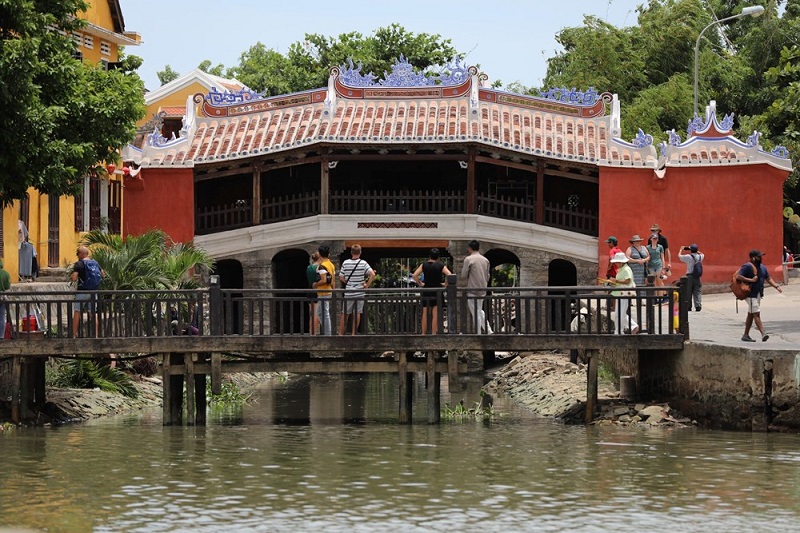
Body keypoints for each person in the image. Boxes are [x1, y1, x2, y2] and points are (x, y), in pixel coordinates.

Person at [737, 249, 782, 342]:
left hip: (758, 294)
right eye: (759, 256)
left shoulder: (762, 267)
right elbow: (739, 276)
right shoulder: (747, 266)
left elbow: (768, 278)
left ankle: (745, 335)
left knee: (751, 314)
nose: (761, 258)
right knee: (756, 313)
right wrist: (751, 280)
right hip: (749, 294)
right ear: (753, 258)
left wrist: (776, 286)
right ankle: (763, 333)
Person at [338, 244, 375, 335]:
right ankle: (354, 333)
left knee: (345, 313)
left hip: (349, 292)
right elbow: (372, 274)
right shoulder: (363, 263)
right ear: (360, 252)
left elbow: (341, 277)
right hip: (359, 292)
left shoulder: (345, 263)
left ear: (351, 252)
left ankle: (340, 334)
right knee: (357, 313)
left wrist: (348, 282)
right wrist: (366, 285)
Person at [412, 248, 452, 334]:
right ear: (438, 257)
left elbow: (415, 275)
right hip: (437, 291)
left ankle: (423, 333)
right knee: (435, 314)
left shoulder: (424, 265)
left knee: (425, 313)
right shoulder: (440, 265)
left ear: (429, 256)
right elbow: (449, 275)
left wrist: (420, 283)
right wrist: (445, 284)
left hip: (426, 290)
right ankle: (434, 333)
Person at [71, 245, 104, 338]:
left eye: (77, 253)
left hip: (82, 291)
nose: (77, 255)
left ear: (81, 254)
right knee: (92, 313)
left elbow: (74, 278)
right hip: (94, 292)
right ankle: (96, 336)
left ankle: (74, 335)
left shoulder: (79, 264)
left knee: (77, 311)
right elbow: (103, 274)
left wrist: (73, 275)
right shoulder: (95, 263)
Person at [461, 239, 492, 334]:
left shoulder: (469, 259)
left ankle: (478, 333)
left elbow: (463, 275)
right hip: (482, 289)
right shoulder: (485, 260)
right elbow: (488, 276)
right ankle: (488, 330)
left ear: (470, 248)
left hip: (472, 289)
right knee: (479, 310)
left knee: (475, 312)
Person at [609, 252, 638, 334]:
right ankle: (620, 330)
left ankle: (628, 327)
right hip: (620, 292)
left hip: (624, 293)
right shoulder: (622, 269)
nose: (616, 264)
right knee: (619, 313)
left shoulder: (626, 269)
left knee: (621, 313)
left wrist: (616, 281)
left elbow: (627, 280)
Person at [314, 245, 335, 335]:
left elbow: (324, 280)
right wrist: (333, 290)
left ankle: (328, 333)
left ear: (320, 254)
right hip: (328, 290)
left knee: (324, 313)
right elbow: (333, 280)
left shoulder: (322, 266)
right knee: (320, 313)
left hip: (323, 292)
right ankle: (327, 330)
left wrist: (315, 284)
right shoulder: (331, 264)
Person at [678, 244, 704, 311]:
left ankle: (688, 306)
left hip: (689, 276)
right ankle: (698, 306)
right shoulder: (700, 257)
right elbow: (702, 253)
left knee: (688, 291)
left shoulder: (688, 257)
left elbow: (679, 256)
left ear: (691, 250)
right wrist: (697, 251)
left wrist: (681, 250)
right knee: (697, 291)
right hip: (697, 276)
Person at [646, 233, 667, 301]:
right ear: (651, 239)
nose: (655, 240)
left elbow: (662, 257)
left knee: (659, 281)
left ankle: (660, 298)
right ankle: (654, 298)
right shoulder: (648, 247)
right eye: (653, 238)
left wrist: (663, 268)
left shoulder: (660, 247)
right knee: (653, 282)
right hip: (651, 265)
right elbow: (647, 257)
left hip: (658, 265)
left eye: (656, 239)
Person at [306, 252, 321, 334]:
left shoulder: (309, 267)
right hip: (316, 290)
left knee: (311, 313)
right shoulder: (318, 267)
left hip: (309, 290)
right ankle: (314, 332)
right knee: (317, 313)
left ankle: (310, 331)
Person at [0, 260, 10, 339]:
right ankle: (1, 336)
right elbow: (7, 287)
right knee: (2, 317)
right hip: (2, 297)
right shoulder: (5, 274)